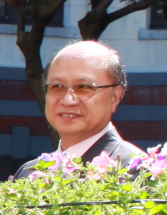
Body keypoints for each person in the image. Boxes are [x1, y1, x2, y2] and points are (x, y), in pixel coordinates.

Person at [22, 41, 150, 172]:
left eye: (84, 87)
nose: (68, 100)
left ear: (115, 96)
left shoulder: (138, 172)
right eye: (57, 86)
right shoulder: (29, 173)